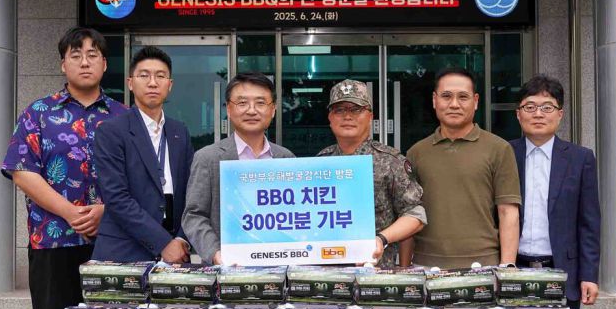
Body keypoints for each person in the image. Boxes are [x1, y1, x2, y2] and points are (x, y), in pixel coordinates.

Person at [1, 27, 128, 309]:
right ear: (63, 64)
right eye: (76, 55)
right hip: (53, 242)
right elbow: (22, 170)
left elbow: (139, 179)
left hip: (113, 246)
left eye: (92, 55)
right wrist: (70, 212)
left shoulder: (123, 116)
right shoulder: (38, 113)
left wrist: (105, 210)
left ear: (104, 64)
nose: (84, 62)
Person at [406, 67, 521, 268]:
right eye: (446, 96)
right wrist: (405, 268)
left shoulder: (499, 149)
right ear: (434, 100)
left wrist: (507, 269)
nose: (454, 104)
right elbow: (408, 214)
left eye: (463, 97)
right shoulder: (416, 152)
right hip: (425, 265)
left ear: (475, 101)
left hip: (483, 264)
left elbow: (508, 212)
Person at [91, 46, 194, 263]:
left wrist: (181, 239)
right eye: (144, 75)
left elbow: (191, 192)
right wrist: (163, 243)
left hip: (176, 253)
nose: (153, 83)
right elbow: (116, 198)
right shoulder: (111, 131)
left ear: (170, 85)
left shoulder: (179, 131)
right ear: (130, 83)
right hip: (125, 251)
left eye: (160, 76)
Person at [510, 75, 601, 309]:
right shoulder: (504, 153)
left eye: (547, 107)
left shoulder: (580, 158)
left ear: (560, 114)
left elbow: (589, 223)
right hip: (513, 270)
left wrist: (589, 275)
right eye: (530, 107)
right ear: (518, 114)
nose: (538, 114)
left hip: (562, 271)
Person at [182, 72, 294, 264]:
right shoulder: (207, 158)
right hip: (227, 270)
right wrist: (216, 254)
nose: (251, 110)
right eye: (242, 103)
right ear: (228, 109)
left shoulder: (286, 159)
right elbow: (193, 216)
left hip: (279, 266)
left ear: (273, 109)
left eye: (260, 103)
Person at [317, 79, 426, 267]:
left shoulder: (390, 161)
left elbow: (416, 215)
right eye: (339, 110)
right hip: (328, 273)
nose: (347, 116)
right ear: (330, 118)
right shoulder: (320, 162)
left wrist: (381, 239)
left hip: (376, 274)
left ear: (370, 116)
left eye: (356, 109)